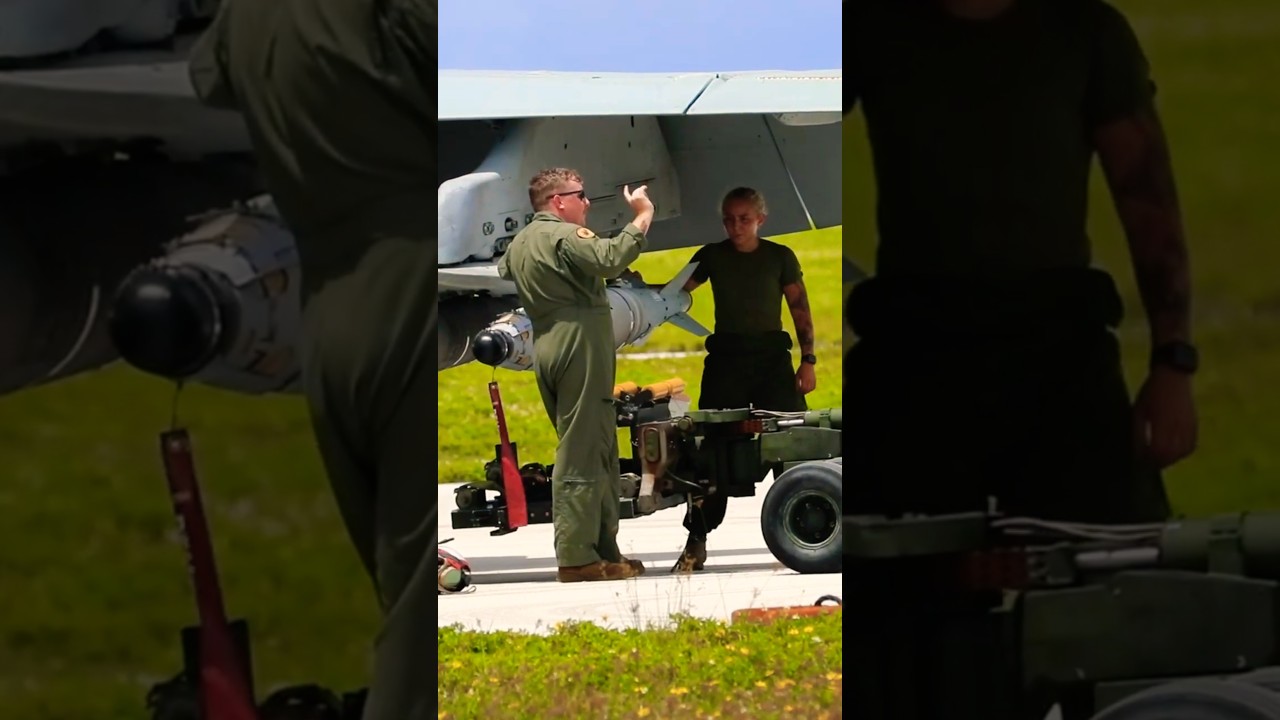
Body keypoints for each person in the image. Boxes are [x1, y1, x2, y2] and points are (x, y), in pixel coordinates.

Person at [844, 0, 1197, 525]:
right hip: (917, 347)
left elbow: (1147, 200)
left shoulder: (1083, 30)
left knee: (1112, 572)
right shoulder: (872, 26)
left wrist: (1173, 364)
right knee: (891, 569)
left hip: (1056, 349)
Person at [186, 2, 437, 718]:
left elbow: (210, 78)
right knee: (422, 647)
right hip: (412, 292)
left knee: (402, 589)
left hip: (327, 316)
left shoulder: (246, 16)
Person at [497, 168, 653, 583]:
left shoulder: (522, 242)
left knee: (598, 446)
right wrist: (641, 217)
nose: (586, 203)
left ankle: (603, 551)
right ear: (558, 202)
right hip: (580, 345)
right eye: (580, 195)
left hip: (549, 344)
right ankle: (575, 556)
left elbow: (505, 271)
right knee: (581, 451)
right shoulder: (564, 236)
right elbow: (609, 258)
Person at [670, 187, 817, 572]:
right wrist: (639, 288)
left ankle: (808, 530)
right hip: (726, 362)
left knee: (794, 442)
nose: (736, 227)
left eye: (744, 219)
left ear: (761, 220)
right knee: (710, 448)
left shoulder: (779, 257)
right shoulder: (712, 256)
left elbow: (799, 308)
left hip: (772, 361)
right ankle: (696, 541)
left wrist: (808, 361)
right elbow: (675, 293)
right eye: (729, 220)